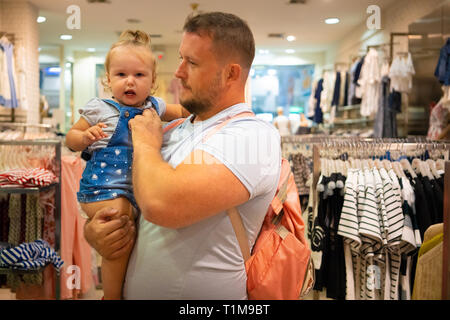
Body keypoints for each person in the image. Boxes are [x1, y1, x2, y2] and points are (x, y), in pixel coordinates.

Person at [84, 12, 281, 299]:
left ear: (231, 73)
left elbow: (162, 205)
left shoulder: (253, 136)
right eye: (180, 58)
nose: (178, 72)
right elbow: (128, 199)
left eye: (193, 63)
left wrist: (146, 144)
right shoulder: (175, 128)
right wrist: (96, 231)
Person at [65, 30, 188, 300]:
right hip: (103, 189)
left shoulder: (154, 105)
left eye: (139, 75)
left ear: (153, 80)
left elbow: (183, 111)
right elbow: (71, 138)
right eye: (121, 75)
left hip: (134, 189)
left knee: (132, 241)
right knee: (118, 241)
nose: (129, 82)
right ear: (108, 79)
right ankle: (111, 295)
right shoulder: (100, 108)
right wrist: (85, 137)